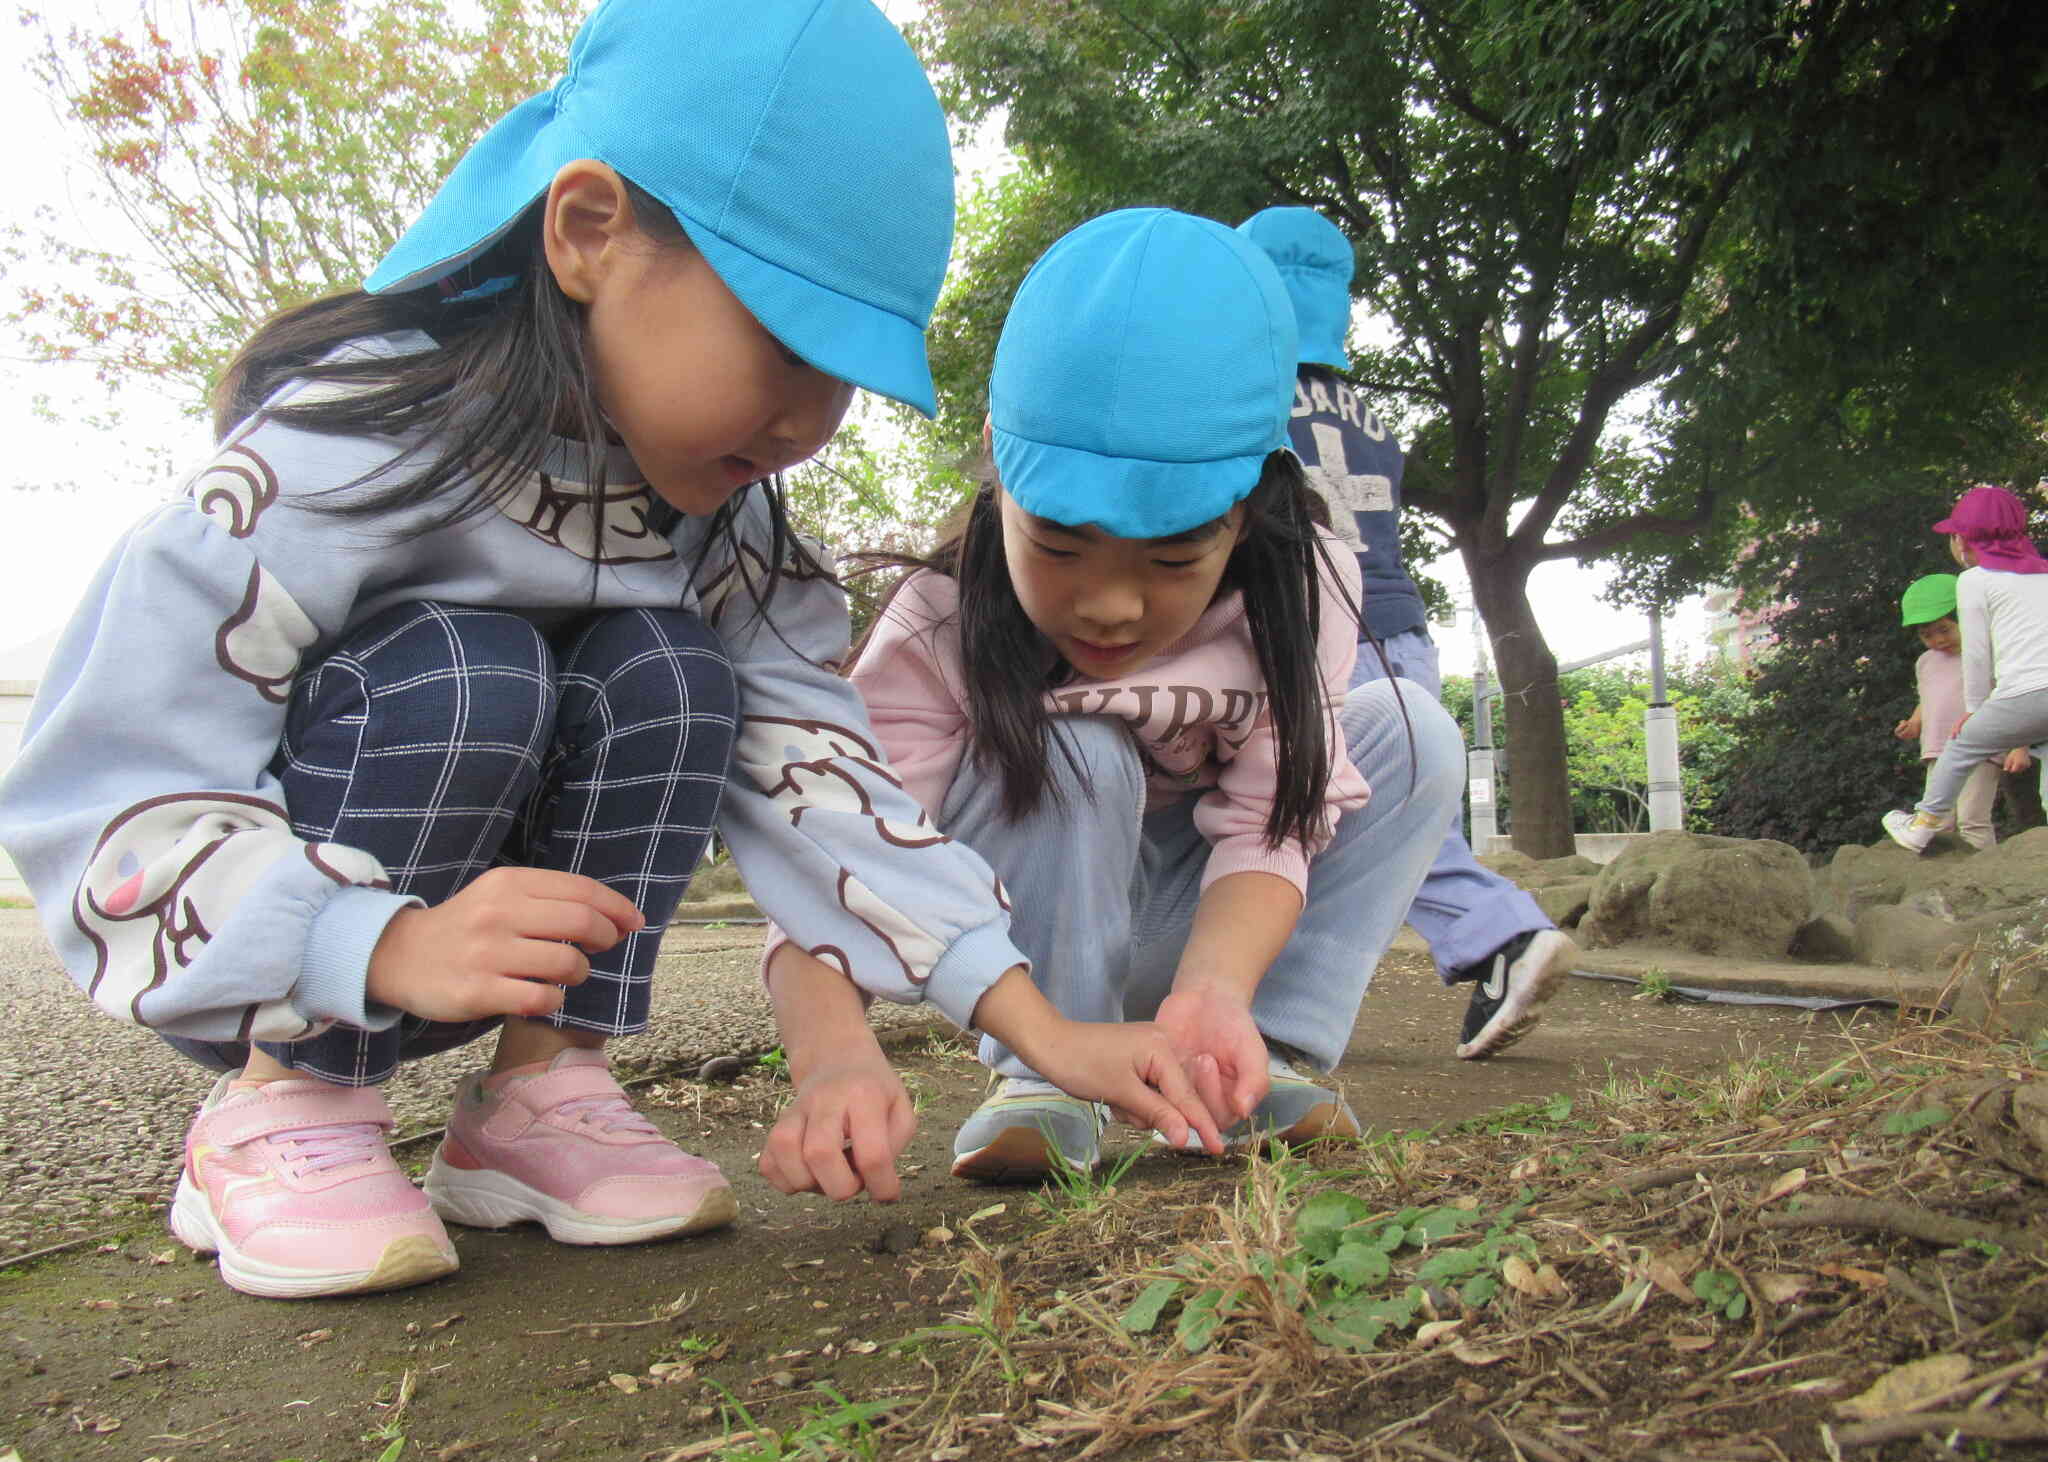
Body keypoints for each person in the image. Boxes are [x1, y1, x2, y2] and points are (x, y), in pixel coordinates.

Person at [0, 0, 1244, 1301]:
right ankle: (282, 1113)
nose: (810, 420)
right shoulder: (344, 453)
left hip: (511, 952)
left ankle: (543, 1092)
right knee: (472, 668)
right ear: (589, 231)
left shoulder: (724, 529)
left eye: (847, 379)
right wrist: (369, 941)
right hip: (294, 956)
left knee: (676, 666)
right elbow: (110, 776)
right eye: (787, 346)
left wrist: (1043, 1030)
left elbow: (819, 773)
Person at [809, 207, 1465, 1183]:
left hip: (1212, 926)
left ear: (1248, 506)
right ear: (998, 467)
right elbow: (842, 838)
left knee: (1415, 732)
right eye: (1058, 545)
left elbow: (1275, 814)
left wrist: (1213, 991)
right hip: (1030, 952)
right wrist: (832, 1049)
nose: (1110, 607)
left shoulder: (1302, 587)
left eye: (1171, 558)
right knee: (1078, 744)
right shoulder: (942, 620)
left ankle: (1253, 1055)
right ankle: (1043, 1077)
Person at [1236, 206, 1578, 1061]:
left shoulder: (1243, 396)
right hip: (1401, 629)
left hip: (1318, 630)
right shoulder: (1369, 417)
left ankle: (1497, 932)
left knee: (1356, 805)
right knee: (1371, 800)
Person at [1884, 487, 2048, 854]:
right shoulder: (2044, 574)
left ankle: (1921, 826)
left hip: (2023, 695)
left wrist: (1974, 709)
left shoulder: (1975, 580)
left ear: (1964, 540)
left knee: (1960, 747)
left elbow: (1976, 654)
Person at [1891, 572, 2020, 851]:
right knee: (1937, 821)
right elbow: (1927, 697)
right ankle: (1945, 874)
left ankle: (1983, 871)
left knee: (1973, 819)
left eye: (1945, 630)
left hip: (1980, 749)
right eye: (1927, 635)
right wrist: (1914, 722)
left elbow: (2013, 699)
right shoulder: (1925, 662)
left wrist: (2018, 746)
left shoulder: (1988, 653)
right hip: (1938, 750)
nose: (1938, 640)